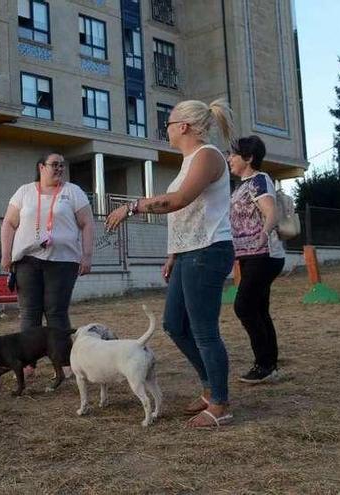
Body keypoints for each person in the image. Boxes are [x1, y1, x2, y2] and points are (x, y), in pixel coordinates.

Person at [106, 99, 236, 428]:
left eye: (169, 122)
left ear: (184, 127)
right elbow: (186, 215)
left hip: (208, 252)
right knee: (174, 325)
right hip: (190, 253)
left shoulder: (207, 156)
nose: (166, 129)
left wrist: (133, 207)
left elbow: (179, 201)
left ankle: (221, 403)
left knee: (204, 331)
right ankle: (210, 388)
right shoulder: (191, 160)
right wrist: (173, 253)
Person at [0, 152, 95, 375]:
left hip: (62, 262)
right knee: (29, 313)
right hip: (26, 261)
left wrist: (87, 255)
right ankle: (27, 363)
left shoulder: (73, 192)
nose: (60, 169)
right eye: (55, 164)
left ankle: (64, 363)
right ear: (41, 167)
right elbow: (8, 224)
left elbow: (87, 223)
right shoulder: (24, 192)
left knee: (56, 312)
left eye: (63, 165)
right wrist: (6, 254)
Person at [227, 135, 285, 384]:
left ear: (249, 158)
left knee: (244, 306)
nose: (229, 158)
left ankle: (264, 364)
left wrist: (263, 234)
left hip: (264, 254)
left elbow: (271, 212)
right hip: (249, 256)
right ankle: (269, 365)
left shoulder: (259, 181)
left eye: (234, 154)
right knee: (259, 309)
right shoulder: (242, 185)